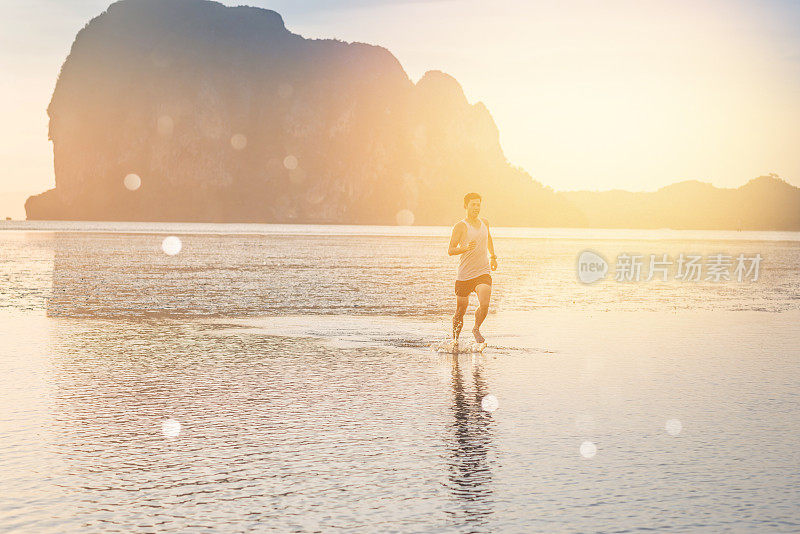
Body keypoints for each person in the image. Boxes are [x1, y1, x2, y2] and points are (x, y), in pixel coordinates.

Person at [448, 192, 497, 343]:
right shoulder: (460, 226)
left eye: (478, 204)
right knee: (461, 310)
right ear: (466, 206)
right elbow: (450, 250)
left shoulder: (485, 223)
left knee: (485, 303)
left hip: (483, 271)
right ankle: (455, 340)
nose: (476, 207)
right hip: (464, 274)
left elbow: (488, 238)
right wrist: (465, 248)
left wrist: (493, 256)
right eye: (473, 204)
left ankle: (476, 328)